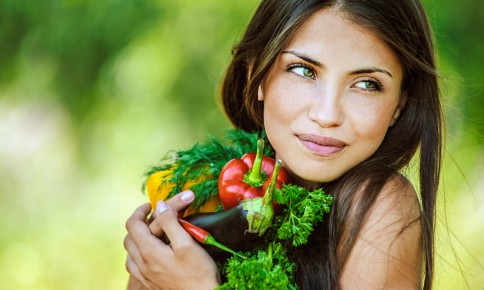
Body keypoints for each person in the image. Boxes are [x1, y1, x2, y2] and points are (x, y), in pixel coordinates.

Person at [123, 0, 442, 289]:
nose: (327, 115)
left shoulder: (381, 203)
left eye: (366, 84)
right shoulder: (214, 186)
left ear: (399, 103)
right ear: (257, 76)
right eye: (304, 70)